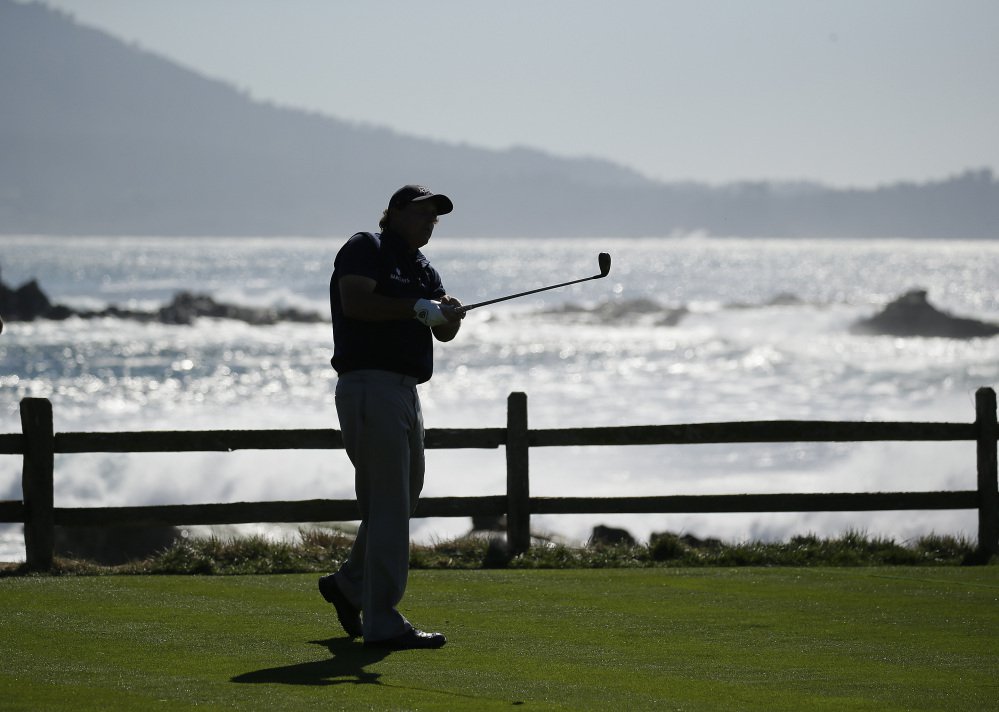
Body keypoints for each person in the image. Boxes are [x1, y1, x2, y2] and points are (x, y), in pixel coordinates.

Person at [318, 184, 464, 650]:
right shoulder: (367, 247)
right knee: (388, 504)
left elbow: (444, 334)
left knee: (400, 499)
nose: (431, 221)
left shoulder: (423, 268)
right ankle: (381, 621)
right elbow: (356, 302)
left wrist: (448, 314)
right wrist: (417, 308)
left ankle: (349, 586)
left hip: (405, 392)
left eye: (436, 216)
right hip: (369, 384)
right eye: (424, 212)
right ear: (396, 210)